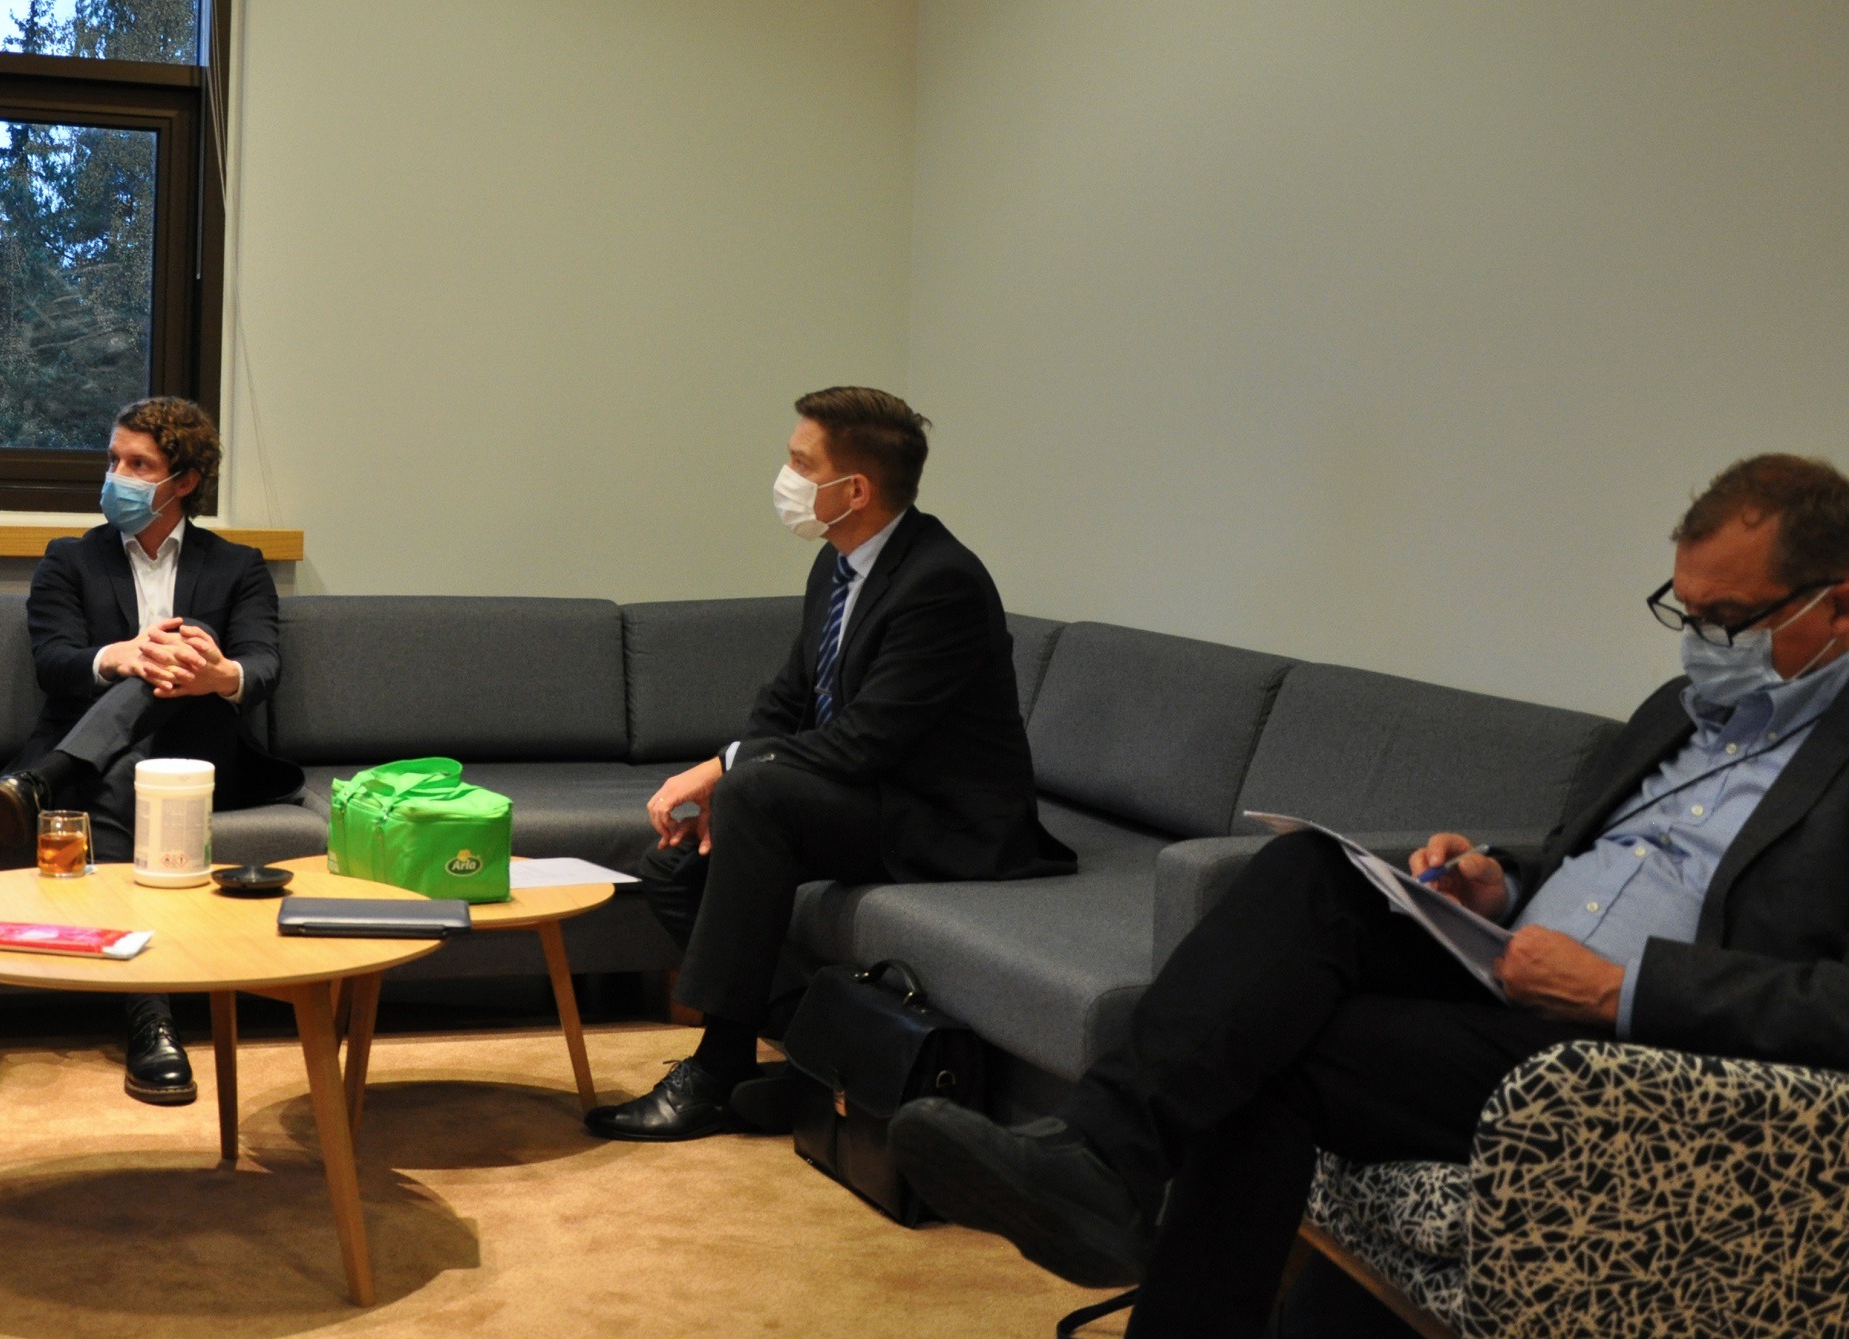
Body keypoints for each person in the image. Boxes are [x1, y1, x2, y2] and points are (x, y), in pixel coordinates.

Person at [891, 453, 1849, 1338]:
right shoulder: (1676, 712)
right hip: (1512, 975)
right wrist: (1501, 877)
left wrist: (1620, 990)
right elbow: (1587, 852)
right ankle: (1100, 1152)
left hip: (1640, 1059)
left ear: (1837, 604)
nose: (1700, 645)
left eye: (1728, 620)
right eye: (1683, 613)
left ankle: (1111, 1173)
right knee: (1310, 873)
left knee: (1279, 1049)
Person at [585, 386, 1075, 1141]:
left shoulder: (940, 581)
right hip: (873, 795)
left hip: (945, 820)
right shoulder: (839, 562)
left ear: (855, 491)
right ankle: (815, 1051)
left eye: (800, 463)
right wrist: (731, 775)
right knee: (673, 869)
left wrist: (729, 771)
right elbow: (787, 699)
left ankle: (716, 1071)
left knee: (756, 797)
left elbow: (866, 741)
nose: (785, 477)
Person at [0, 397, 303, 1106]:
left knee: (176, 658)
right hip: (115, 759)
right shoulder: (69, 559)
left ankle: (42, 781)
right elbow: (53, 662)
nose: (116, 475)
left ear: (184, 481)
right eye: (113, 459)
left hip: (203, 752)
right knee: (132, 752)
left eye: (138, 464)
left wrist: (219, 674)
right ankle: (151, 1016)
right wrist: (119, 656)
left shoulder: (238, 566)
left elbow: (264, 665)